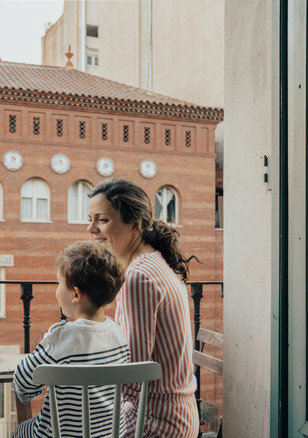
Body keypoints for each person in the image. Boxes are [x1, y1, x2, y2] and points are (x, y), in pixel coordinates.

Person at [87, 178, 199, 437]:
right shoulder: (153, 263)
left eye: (101, 220)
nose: (91, 228)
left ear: (135, 224)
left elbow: (134, 376)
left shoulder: (138, 277)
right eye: (90, 219)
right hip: (169, 413)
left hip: (155, 422)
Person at [12, 240, 131, 438]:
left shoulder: (61, 337)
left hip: (61, 435)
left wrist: (46, 342)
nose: (57, 290)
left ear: (76, 294)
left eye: (59, 283)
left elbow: (23, 385)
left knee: (22, 430)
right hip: (110, 434)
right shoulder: (118, 332)